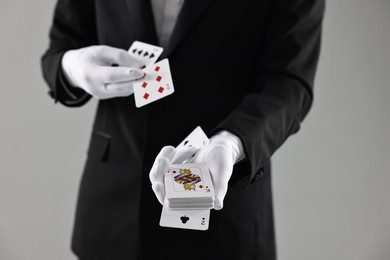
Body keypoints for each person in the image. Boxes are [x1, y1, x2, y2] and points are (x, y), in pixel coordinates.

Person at [41, 0, 324, 259]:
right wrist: (71, 68)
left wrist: (230, 142)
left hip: (224, 214)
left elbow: (289, 82)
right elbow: (61, 46)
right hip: (112, 211)